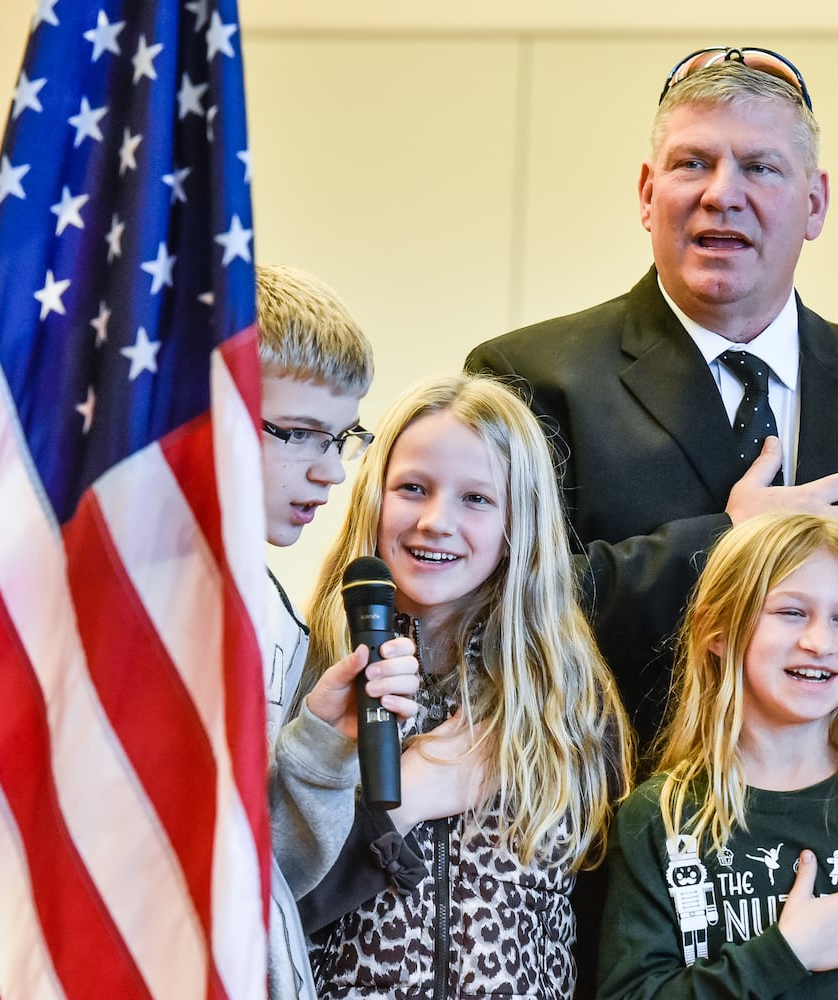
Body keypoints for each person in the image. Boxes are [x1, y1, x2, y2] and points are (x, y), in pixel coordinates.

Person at [466, 47, 838, 795]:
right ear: (645, 192)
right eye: (692, 163)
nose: (721, 194)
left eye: (759, 168)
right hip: (619, 865)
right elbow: (493, 622)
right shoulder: (529, 379)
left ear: (815, 202)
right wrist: (726, 544)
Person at [297, 373, 634, 998]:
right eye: (413, 489)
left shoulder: (567, 698)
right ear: (374, 498)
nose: (435, 521)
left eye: (476, 499)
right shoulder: (310, 675)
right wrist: (405, 801)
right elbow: (265, 917)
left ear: (519, 522)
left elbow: (597, 927)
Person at [598, 512, 838, 997]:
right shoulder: (660, 818)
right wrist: (787, 952)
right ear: (717, 631)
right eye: (791, 612)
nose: (819, 642)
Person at [253, 263, 421, 1000]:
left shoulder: (270, 612)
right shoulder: (131, 603)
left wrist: (320, 743)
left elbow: (264, 881)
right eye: (299, 435)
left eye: (341, 438)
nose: (331, 474)